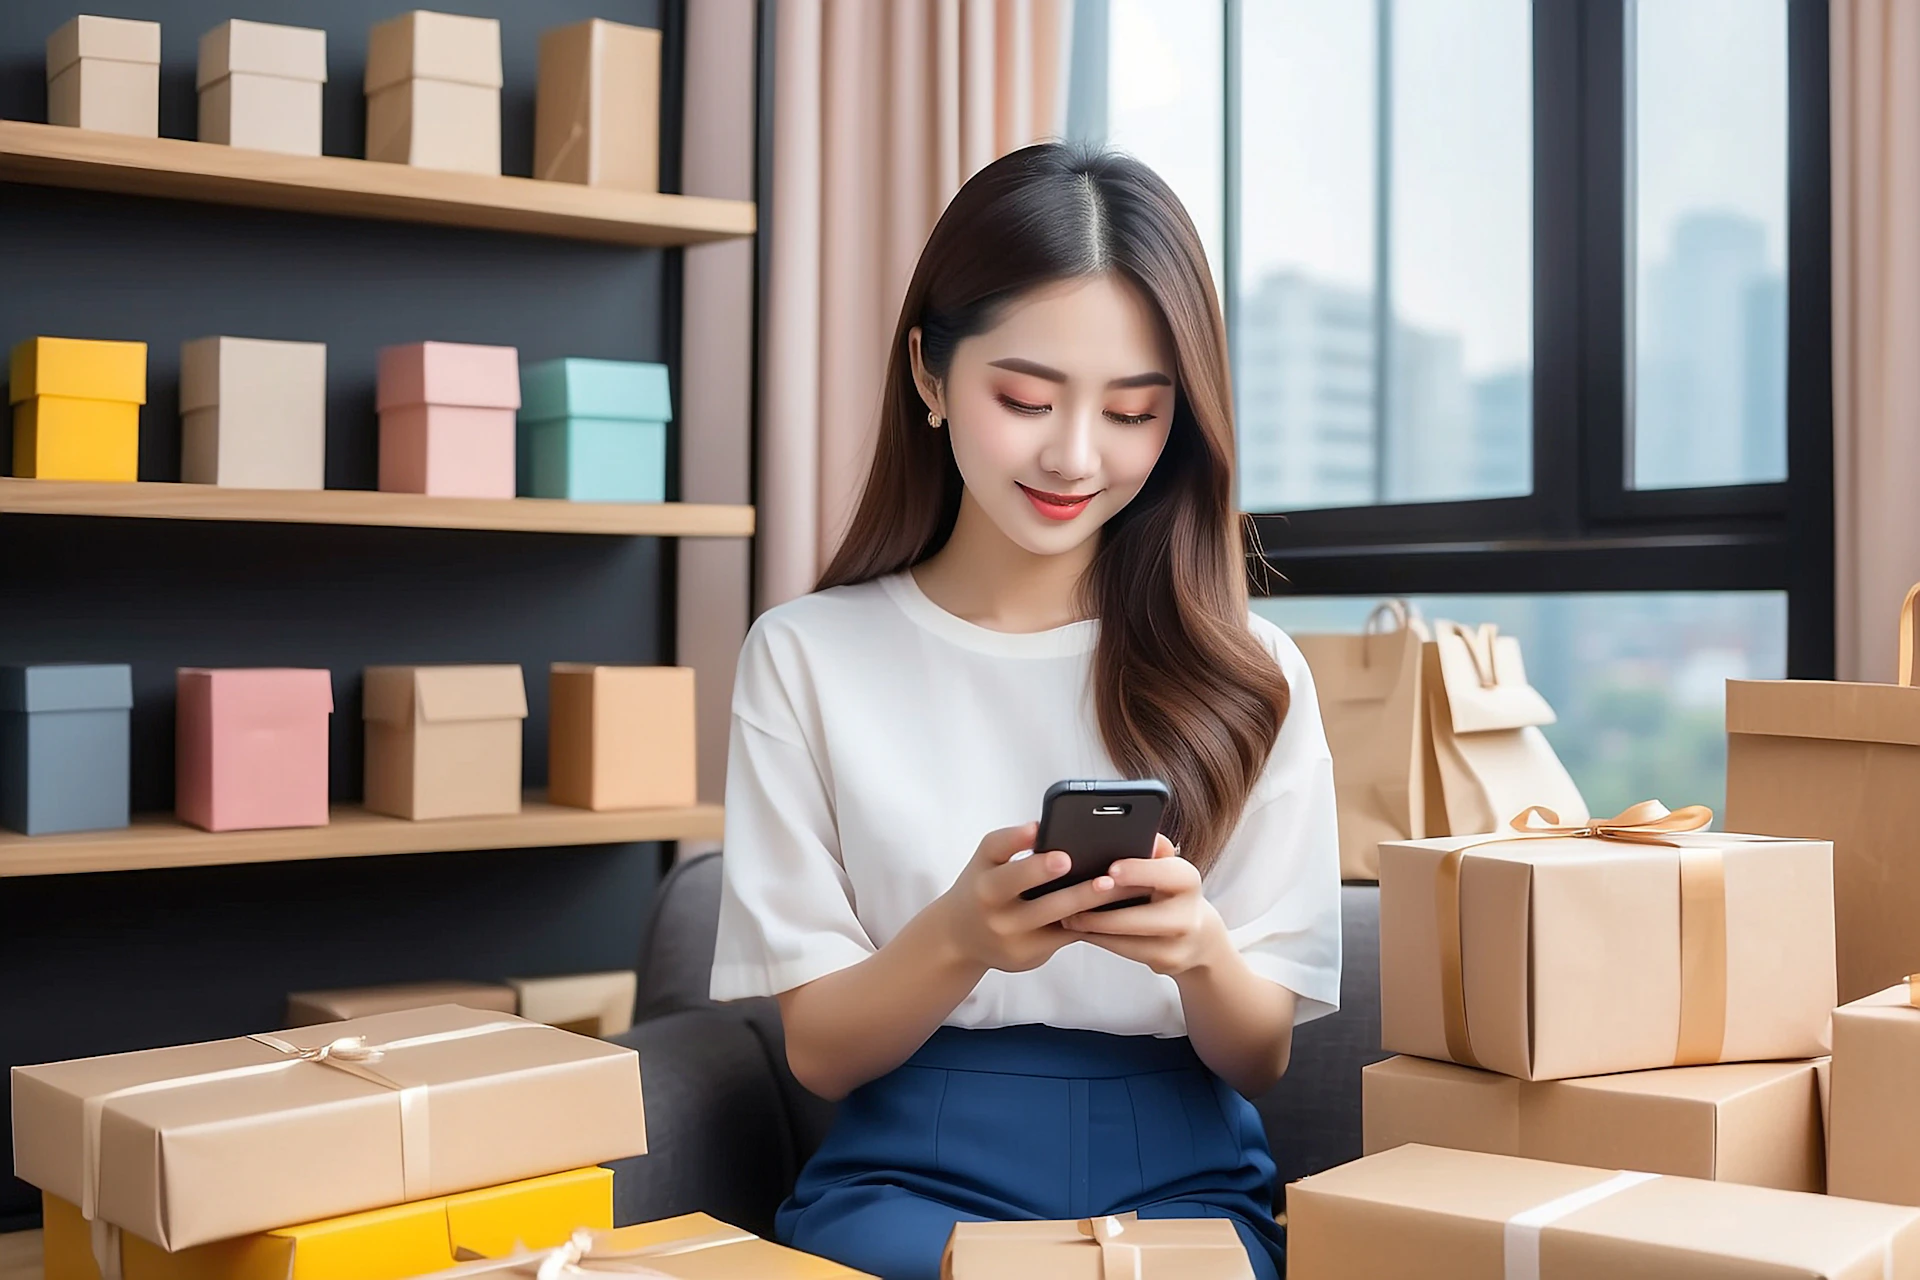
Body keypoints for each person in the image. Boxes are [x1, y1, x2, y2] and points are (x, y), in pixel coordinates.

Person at [710, 141, 1341, 1280]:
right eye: (1026, 397)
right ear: (929, 374)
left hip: (1180, 1173)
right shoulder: (804, 657)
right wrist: (960, 937)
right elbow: (818, 1050)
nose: (1074, 454)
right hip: (910, 1173)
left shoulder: (1253, 672)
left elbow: (1261, 1054)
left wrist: (1200, 951)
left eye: (1135, 411)